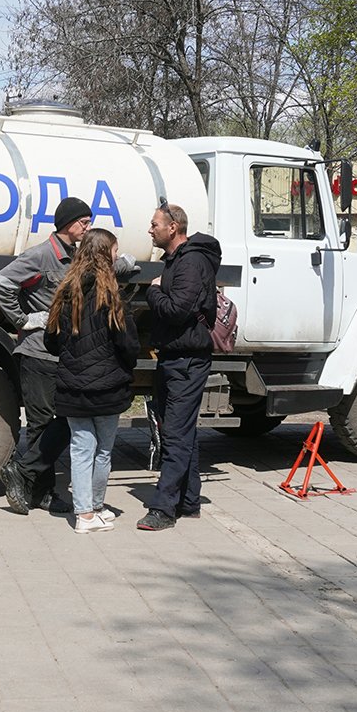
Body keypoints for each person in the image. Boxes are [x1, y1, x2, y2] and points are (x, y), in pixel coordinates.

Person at [0, 196, 102, 515]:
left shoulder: (75, 256)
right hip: (38, 353)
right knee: (41, 423)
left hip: (63, 354)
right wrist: (23, 319)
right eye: (84, 222)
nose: (88, 226)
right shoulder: (41, 255)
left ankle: (28, 479)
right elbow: (1, 282)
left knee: (62, 420)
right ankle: (41, 491)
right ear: (68, 224)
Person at [43, 228, 141, 534]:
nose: (116, 255)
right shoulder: (112, 296)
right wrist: (125, 367)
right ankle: (93, 508)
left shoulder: (65, 292)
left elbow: (50, 341)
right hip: (109, 387)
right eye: (114, 251)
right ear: (104, 255)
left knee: (81, 448)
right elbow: (128, 344)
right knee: (103, 450)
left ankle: (86, 512)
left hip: (73, 386)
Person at [138, 203, 221, 532]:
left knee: (174, 434)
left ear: (173, 228)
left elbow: (176, 311)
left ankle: (163, 508)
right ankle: (189, 501)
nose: (150, 229)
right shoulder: (176, 261)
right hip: (175, 356)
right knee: (182, 431)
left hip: (188, 360)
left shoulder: (190, 262)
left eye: (155, 224)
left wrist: (154, 291)